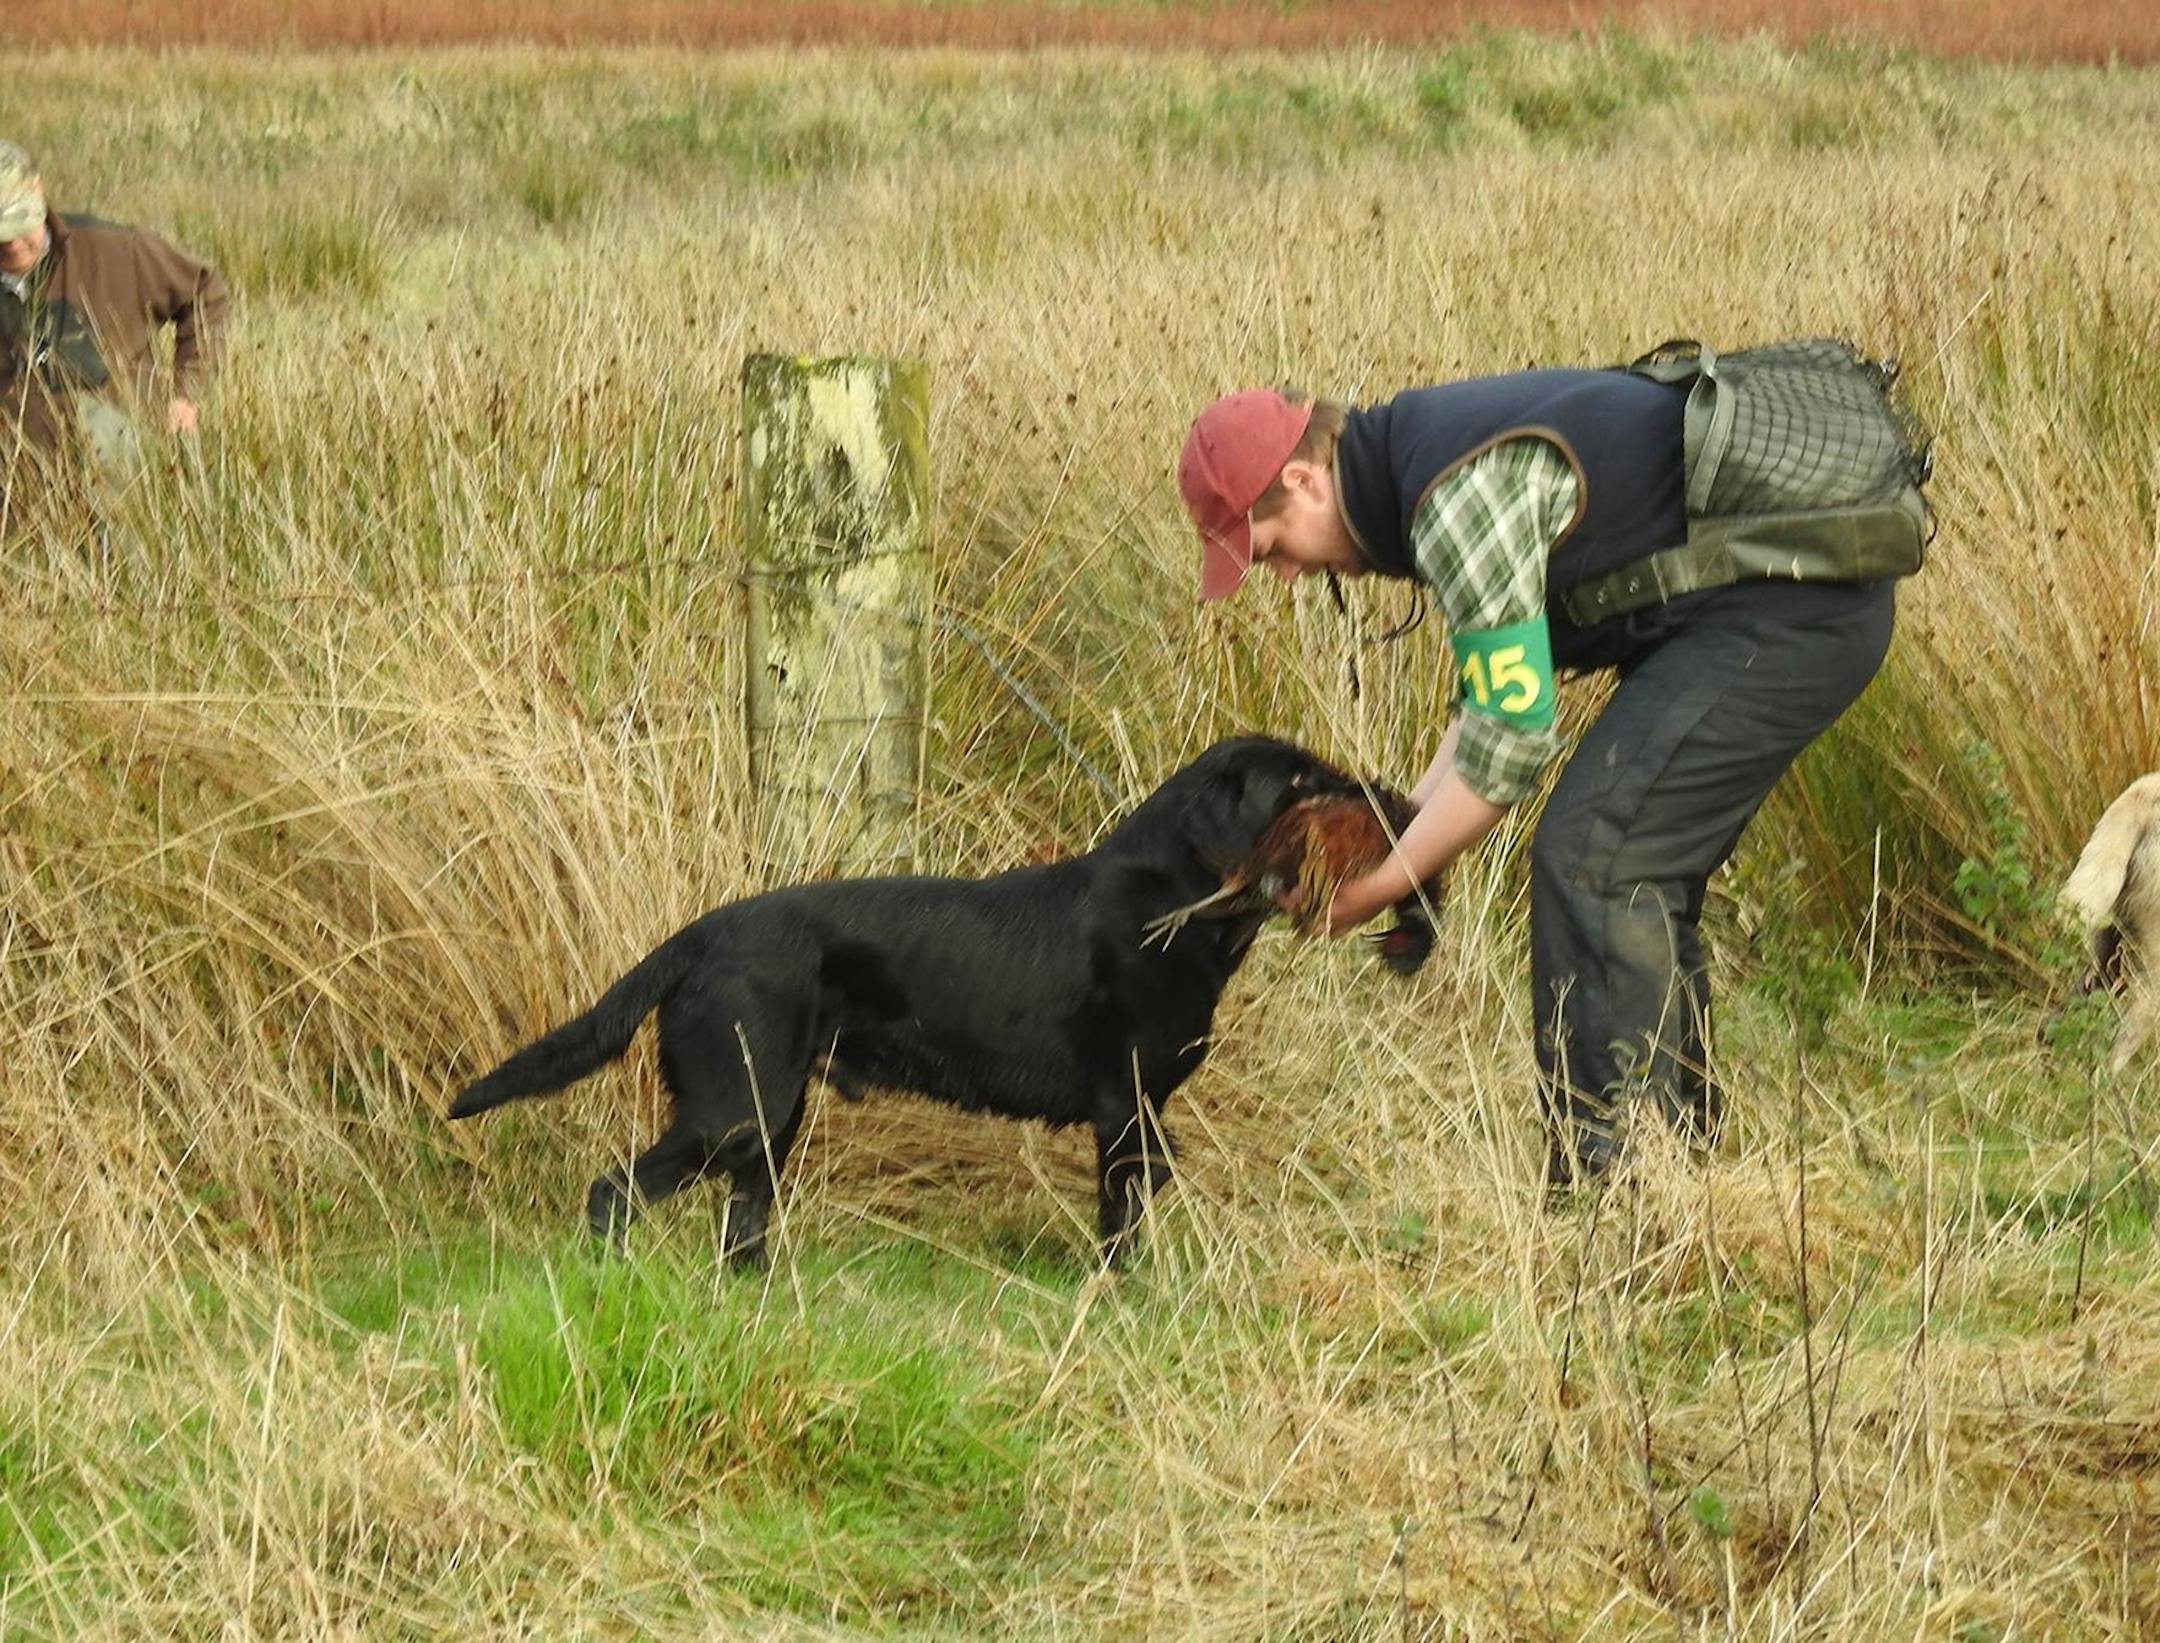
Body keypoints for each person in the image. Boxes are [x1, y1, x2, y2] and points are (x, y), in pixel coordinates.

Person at [1177, 357, 1913, 1188]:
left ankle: (1621, 1188)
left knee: (1597, 855)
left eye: (1270, 546)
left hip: (1800, 607)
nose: (1284, 574)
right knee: (1622, 857)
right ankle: (1678, 1170)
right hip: (1761, 605)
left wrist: (1381, 887)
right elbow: (1495, 694)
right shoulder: (1416, 461)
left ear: (1305, 479)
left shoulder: (1453, 499)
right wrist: (1400, 830)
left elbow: (1517, 737)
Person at [1, 137, 228, 518]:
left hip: (122, 484)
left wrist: (186, 394)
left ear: (38, 190)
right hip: (19, 498)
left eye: (18, 223)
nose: (12, 244)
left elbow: (205, 292)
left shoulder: (116, 250)